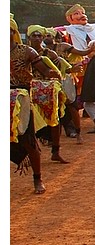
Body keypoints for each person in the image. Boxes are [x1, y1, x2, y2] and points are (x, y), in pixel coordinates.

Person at [11, 15, 62, 194]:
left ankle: (37, 178)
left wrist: (54, 73)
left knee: (28, 141)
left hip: (22, 98)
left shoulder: (27, 52)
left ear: (14, 33)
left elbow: (45, 70)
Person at [25, 24, 72, 163]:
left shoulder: (50, 54)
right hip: (29, 90)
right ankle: (31, 153)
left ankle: (55, 152)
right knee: (28, 123)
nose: (37, 38)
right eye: (34, 35)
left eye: (40, 35)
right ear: (29, 37)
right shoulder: (24, 52)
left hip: (49, 91)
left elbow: (60, 71)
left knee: (54, 120)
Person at [59, 3, 95, 99]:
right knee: (77, 86)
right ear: (69, 18)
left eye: (83, 13)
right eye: (77, 13)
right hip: (76, 65)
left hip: (94, 64)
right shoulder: (66, 31)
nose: (82, 15)